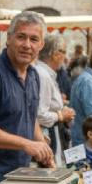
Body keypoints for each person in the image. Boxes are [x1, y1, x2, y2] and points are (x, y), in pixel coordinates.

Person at [0, 10, 54, 184]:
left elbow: (30, 116)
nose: (27, 45)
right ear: (8, 39)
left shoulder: (33, 75)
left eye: (34, 39)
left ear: (41, 44)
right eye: (21, 37)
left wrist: (42, 145)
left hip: (19, 175)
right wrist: (26, 144)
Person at [35, 34, 75, 165]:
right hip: (47, 135)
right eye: (64, 52)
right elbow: (40, 115)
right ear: (55, 54)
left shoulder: (46, 73)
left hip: (52, 133)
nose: (65, 57)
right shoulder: (43, 75)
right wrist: (61, 115)